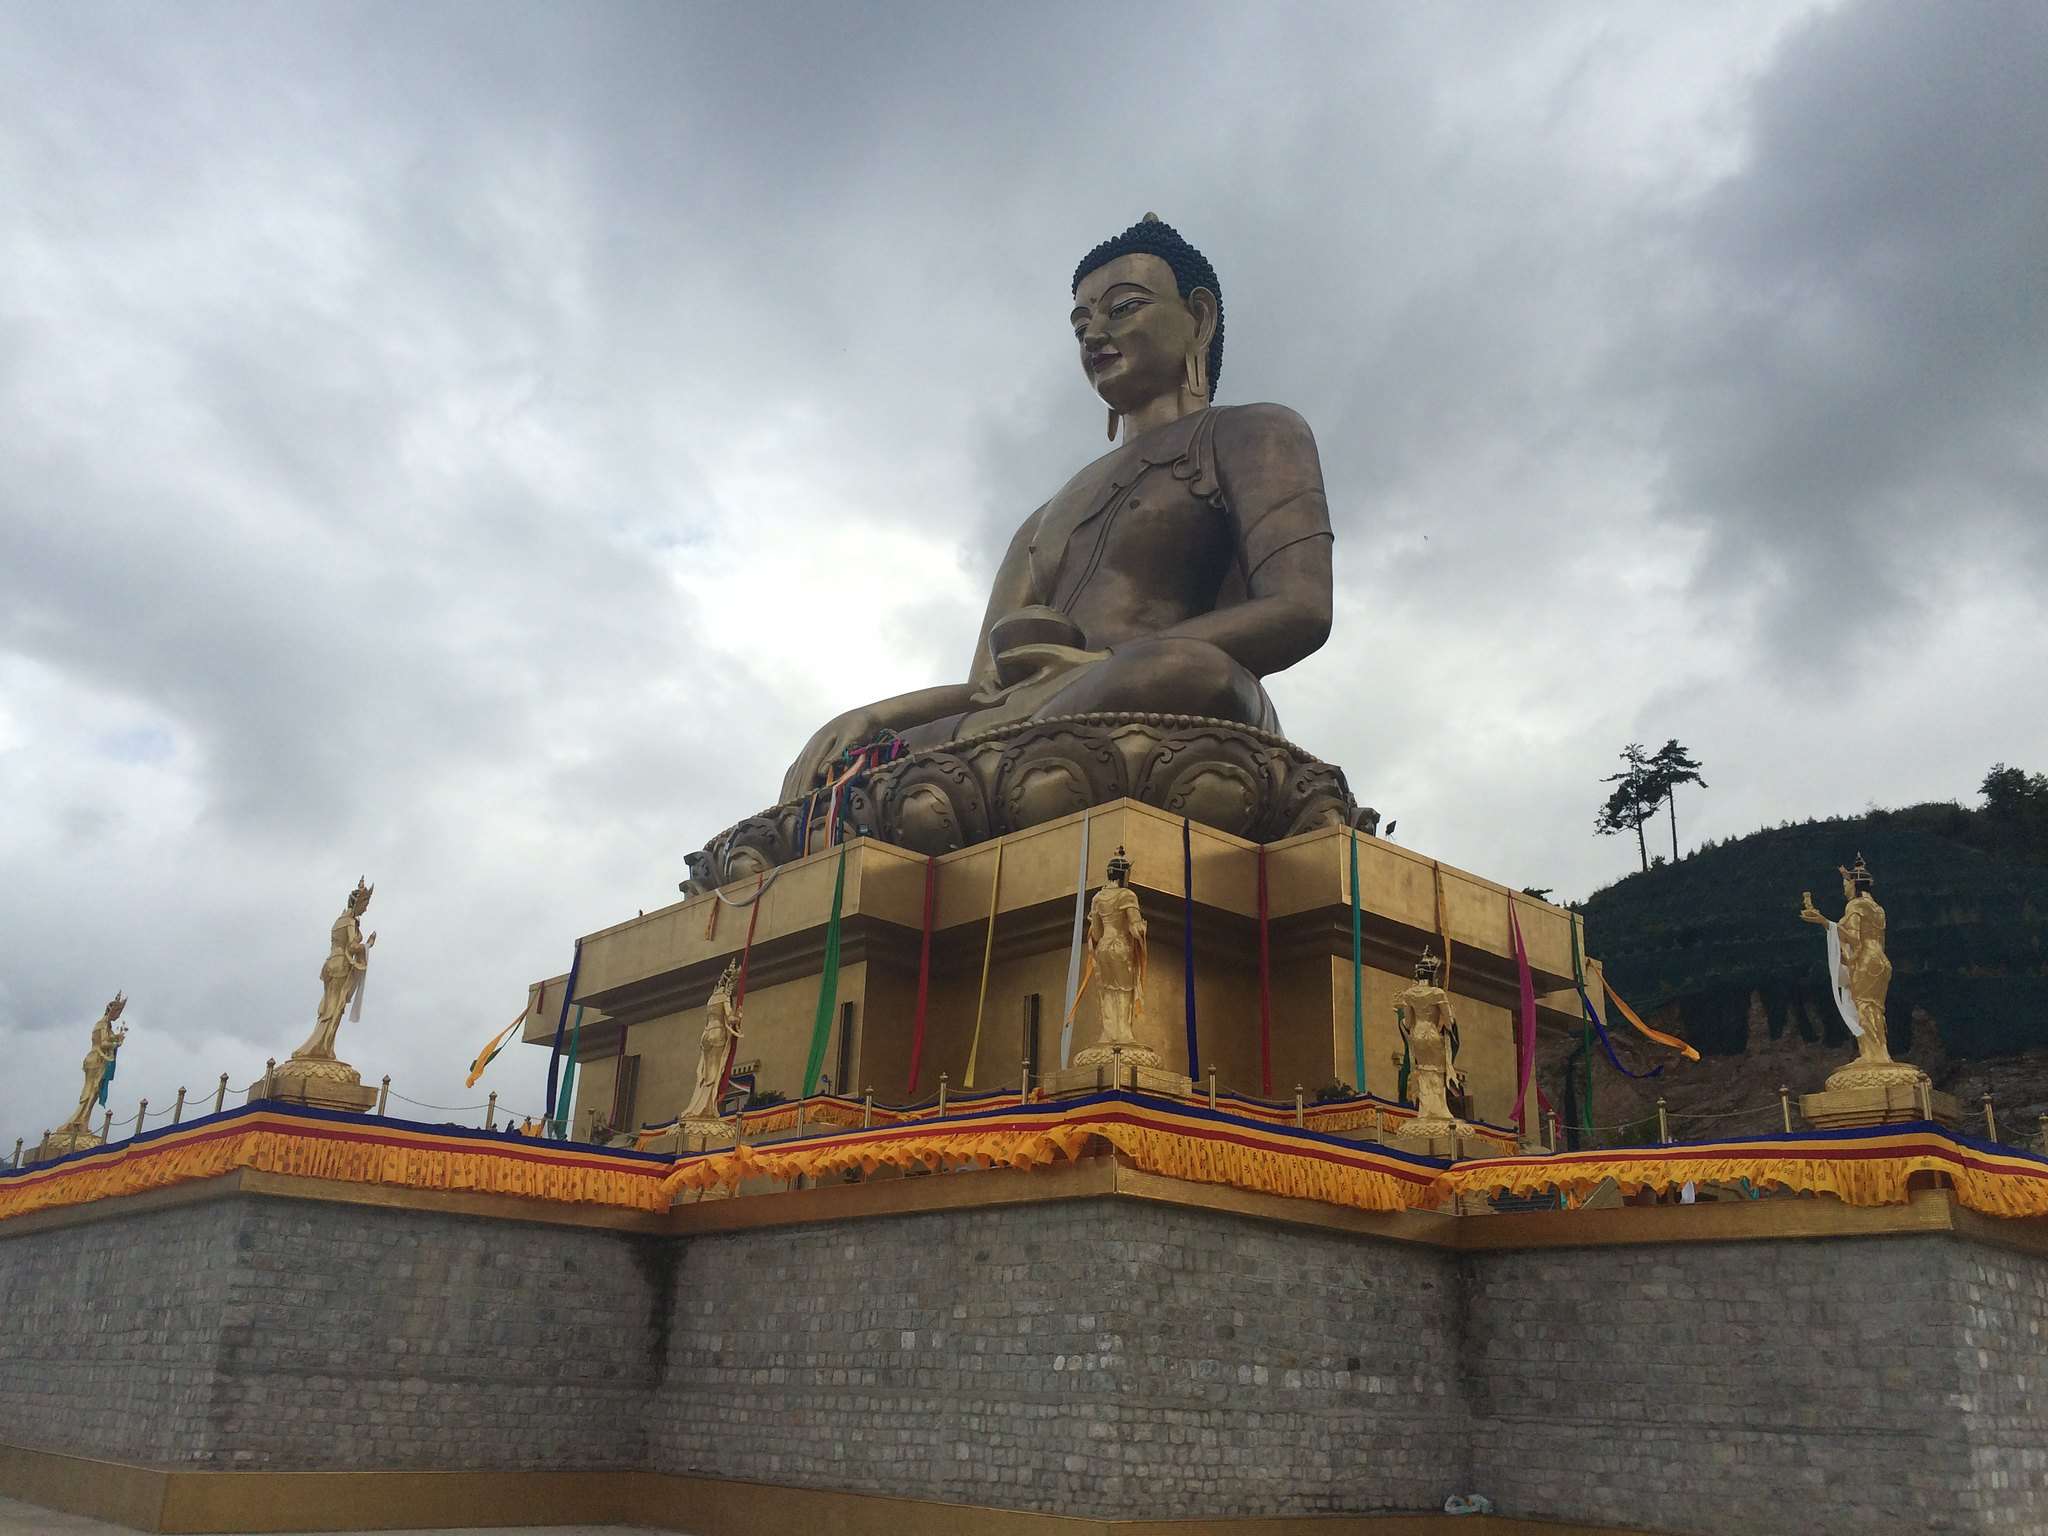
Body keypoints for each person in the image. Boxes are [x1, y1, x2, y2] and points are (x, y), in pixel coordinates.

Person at [781, 215, 1333, 802]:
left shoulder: (1255, 433)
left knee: (1191, 670)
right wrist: (873, 718)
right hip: (1031, 726)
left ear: (1199, 318)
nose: (1095, 333)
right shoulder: (1042, 519)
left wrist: (1096, 665)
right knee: (856, 764)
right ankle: (918, 782)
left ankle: (938, 785)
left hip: (1168, 708)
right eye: (1080, 323)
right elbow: (988, 690)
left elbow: (1300, 607)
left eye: (1122, 308)